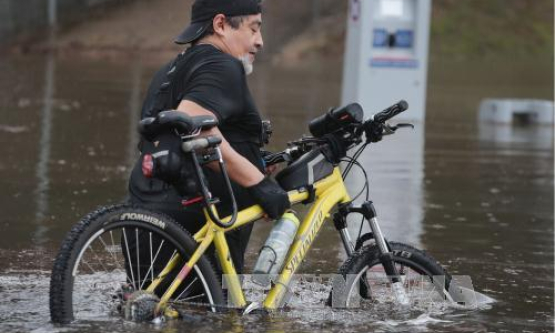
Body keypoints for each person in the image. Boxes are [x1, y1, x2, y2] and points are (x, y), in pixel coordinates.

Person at [127, 0, 290, 276]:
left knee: (154, 314)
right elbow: (193, 125)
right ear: (220, 25)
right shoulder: (222, 65)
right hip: (192, 230)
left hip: (144, 222)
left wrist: (253, 160)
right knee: (215, 318)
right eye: (253, 28)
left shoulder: (173, 68)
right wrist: (259, 184)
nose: (260, 41)